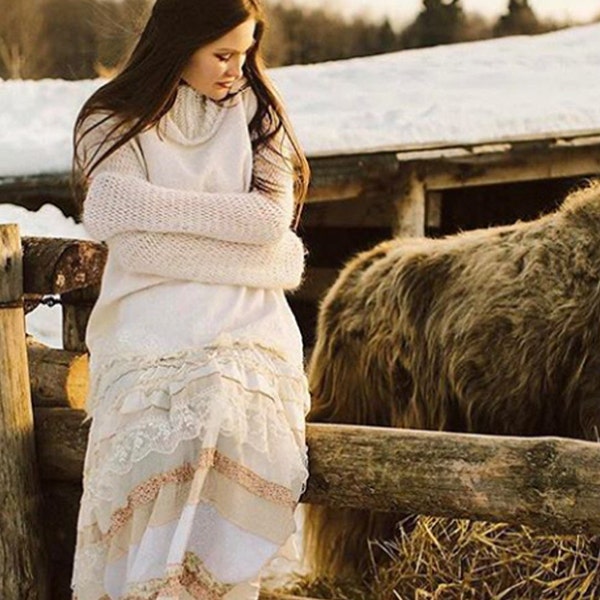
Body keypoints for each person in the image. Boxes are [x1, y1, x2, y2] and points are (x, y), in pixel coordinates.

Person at [70, 0, 311, 598]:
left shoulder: (260, 115)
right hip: (147, 314)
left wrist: (151, 212)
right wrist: (259, 257)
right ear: (179, 43)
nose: (238, 68)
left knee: (228, 400)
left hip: (247, 319)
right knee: (165, 423)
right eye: (223, 54)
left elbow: (270, 219)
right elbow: (118, 223)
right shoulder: (112, 117)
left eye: (247, 52)